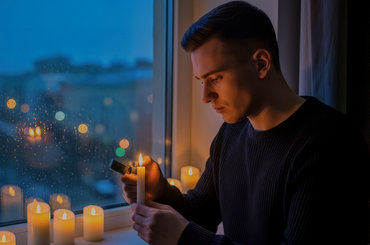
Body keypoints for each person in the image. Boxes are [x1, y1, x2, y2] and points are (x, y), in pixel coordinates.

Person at [120, 1, 370, 244]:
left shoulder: (329, 144)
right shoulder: (231, 132)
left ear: (261, 64)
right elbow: (201, 213)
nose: (205, 97)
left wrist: (185, 238)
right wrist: (160, 191)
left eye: (215, 78)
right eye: (201, 81)